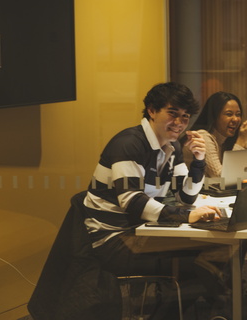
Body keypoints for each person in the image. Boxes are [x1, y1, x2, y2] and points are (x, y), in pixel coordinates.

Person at [82, 82, 227, 317]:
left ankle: (211, 310)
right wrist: (187, 216)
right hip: (115, 239)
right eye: (172, 114)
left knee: (221, 250)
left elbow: (185, 197)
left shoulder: (172, 147)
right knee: (200, 265)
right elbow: (131, 200)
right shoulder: (128, 144)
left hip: (143, 231)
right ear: (151, 111)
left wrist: (199, 161)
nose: (179, 123)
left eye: (184, 117)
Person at [182, 91, 247, 179]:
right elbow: (221, 178)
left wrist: (246, 142)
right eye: (229, 114)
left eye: (238, 114)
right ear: (214, 116)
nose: (235, 119)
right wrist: (242, 141)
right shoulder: (202, 136)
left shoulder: (225, 140)